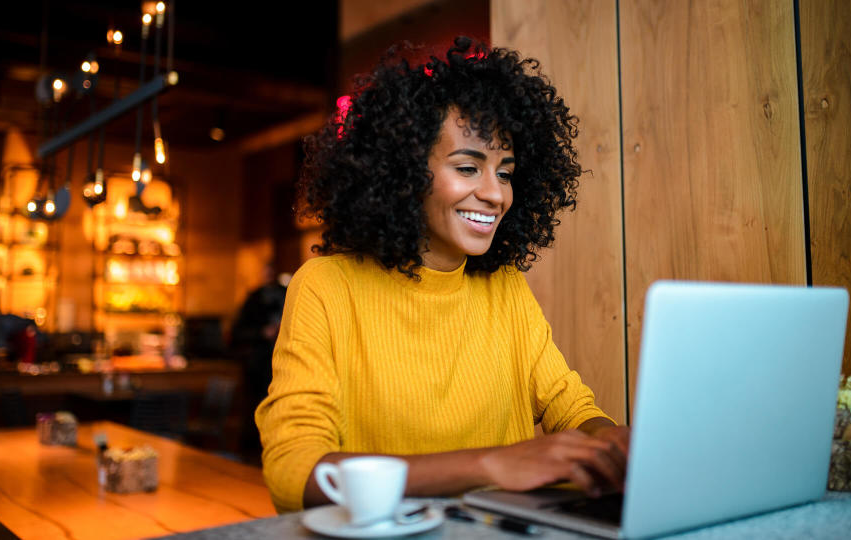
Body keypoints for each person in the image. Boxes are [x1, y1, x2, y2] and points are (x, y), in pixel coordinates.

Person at [256, 36, 630, 513]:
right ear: (406, 173)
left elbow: (571, 407)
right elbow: (295, 473)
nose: (495, 195)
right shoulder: (327, 287)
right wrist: (490, 465)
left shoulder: (504, 286)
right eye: (468, 167)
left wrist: (613, 445)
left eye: (505, 172)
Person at [231, 260, 287, 456]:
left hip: (286, 364)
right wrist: (263, 333)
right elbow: (236, 333)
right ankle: (257, 451)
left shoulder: (288, 293)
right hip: (260, 365)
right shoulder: (253, 299)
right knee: (257, 408)